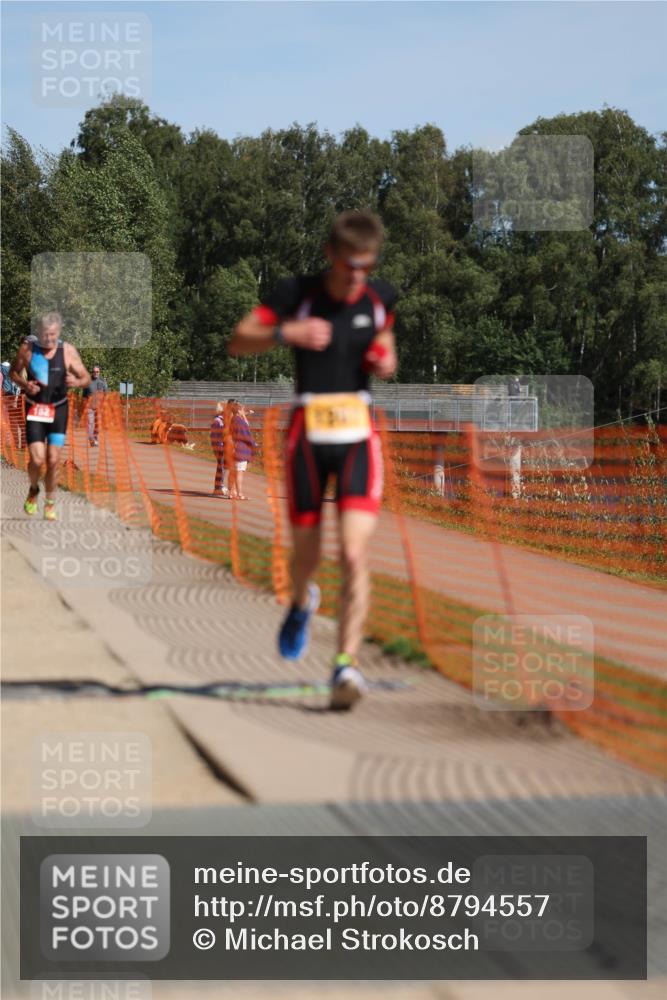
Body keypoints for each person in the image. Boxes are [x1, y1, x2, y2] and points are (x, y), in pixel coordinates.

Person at [230, 210, 397, 709]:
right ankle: (302, 602)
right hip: (306, 433)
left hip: (357, 433)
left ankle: (345, 666)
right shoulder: (294, 294)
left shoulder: (379, 297)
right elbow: (238, 340)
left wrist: (385, 361)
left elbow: (387, 348)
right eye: (350, 266)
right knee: (306, 557)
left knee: (352, 553)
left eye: (367, 267)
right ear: (330, 255)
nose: (358, 277)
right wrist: (287, 334)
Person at [9, 312, 90, 520]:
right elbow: (13, 374)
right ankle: (34, 489)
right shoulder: (27, 351)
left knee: (53, 459)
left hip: (58, 410)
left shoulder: (68, 352)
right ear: (39, 333)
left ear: (59, 332)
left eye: (53, 335)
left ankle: (50, 501)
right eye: (46, 335)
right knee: (36, 459)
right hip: (35, 409)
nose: (49, 339)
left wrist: (77, 382)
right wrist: (25, 385)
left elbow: (86, 377)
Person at [228, 401, 256, 500]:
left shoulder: (234, 419)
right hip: (241, 448)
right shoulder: (240, 421)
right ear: (239, 410)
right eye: (243, 410)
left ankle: (231, 492)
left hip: (235, 447)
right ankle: (239, 494)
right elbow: (246, 435)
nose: (244, 411)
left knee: (235, 472)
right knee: (239, 472)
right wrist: (254, 444)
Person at [82, 364, 109, 446]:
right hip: (90, 407)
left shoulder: (103, 382)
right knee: (90, 423)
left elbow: (106, 394)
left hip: (99, 407)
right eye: (94, 371)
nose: (95, 373)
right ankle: (91, 439)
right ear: (92, 372)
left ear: (99, 372)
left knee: (98, 424)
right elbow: (84, 396)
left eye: (97, 371)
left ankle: (96, 438)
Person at [210, 401, 230, 497]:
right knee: (221, 467)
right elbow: (214, 436)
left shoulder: (225, 420)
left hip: (225, 447)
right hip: (220, 447)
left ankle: (219, 486)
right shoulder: (217, 421)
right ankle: (218, 487)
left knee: (223, 467)